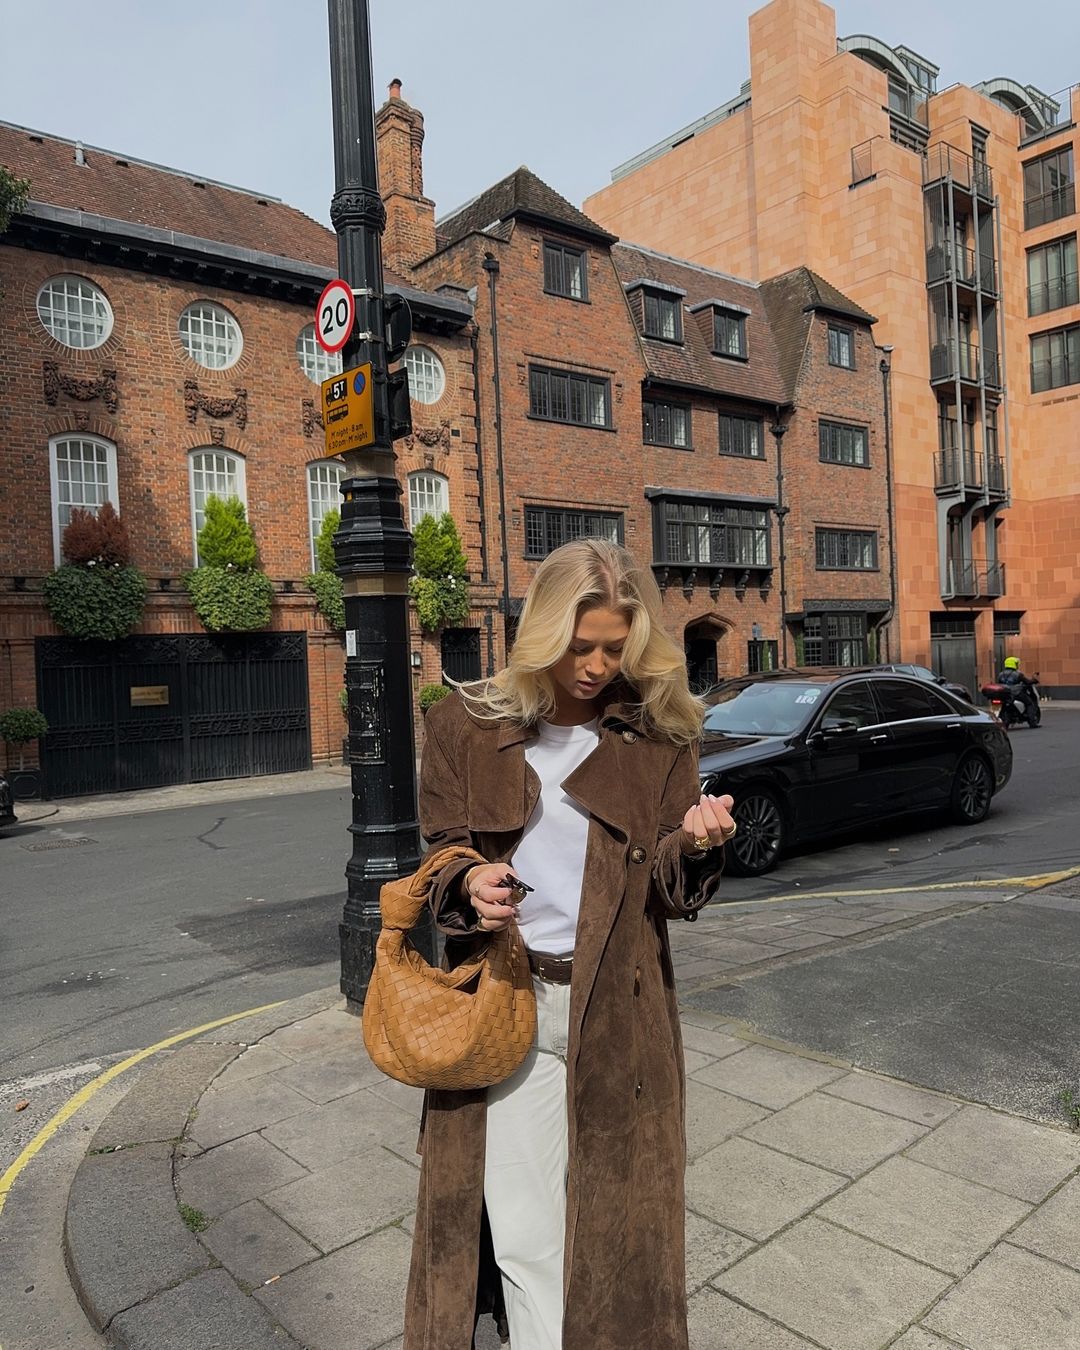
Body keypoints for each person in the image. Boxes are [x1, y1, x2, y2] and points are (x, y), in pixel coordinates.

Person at [402, 538, 734, 1350]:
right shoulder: (463, 725)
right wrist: (467, 882)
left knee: (618, 1230)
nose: (595, 667)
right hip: (507, 1002)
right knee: (525, 1233)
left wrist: (695, 845)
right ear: (542, 631)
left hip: (620, 1010)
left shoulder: (660, 736)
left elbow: (666, 886)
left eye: (615, 648)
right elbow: (442, 850)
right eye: (579, 645)